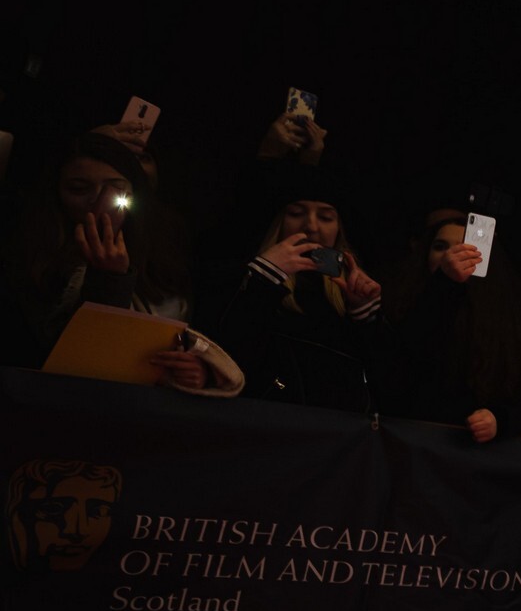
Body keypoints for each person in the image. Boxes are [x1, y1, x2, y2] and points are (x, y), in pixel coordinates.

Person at [3, 132, 225, 390]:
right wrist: (109, 280)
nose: (99, 201)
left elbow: (190, 335)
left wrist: (198, 368)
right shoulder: (35, 259)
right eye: (79, 189)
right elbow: (79, 360)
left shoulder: (164, 249)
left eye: (117, 190)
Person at [202, 163, 388, 411]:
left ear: (338, 229)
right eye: (296, 213)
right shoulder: (247, 279)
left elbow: (385, 380)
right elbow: (229, 356)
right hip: (268, 421)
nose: (311, 226)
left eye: (325, 217)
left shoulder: (349, 293)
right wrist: (263, 281)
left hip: (339, 429)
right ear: (278, 223)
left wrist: (365, 316)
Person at [385, 207, 521, 442]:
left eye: (465, 246)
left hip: (480, 453)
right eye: (440, 246)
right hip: (414, 440)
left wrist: (500, 419)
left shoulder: (508, 318)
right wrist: (444, 285)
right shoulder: (404, 304)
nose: (452, 254)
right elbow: (402, 370)